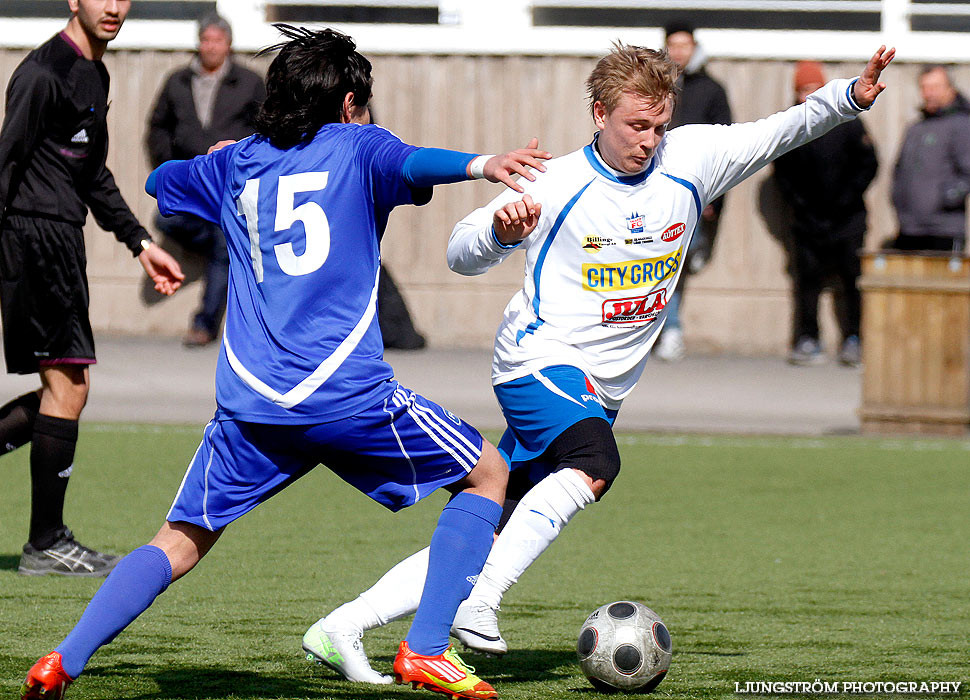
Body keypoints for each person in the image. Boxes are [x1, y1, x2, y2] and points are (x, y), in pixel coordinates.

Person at [303, 42, 895, 682]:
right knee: (596, 462)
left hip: (599, 388)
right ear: (599, 114)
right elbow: (459, 249)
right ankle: (480, 603)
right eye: (637, 125)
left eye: (659, 125)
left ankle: (344, 626)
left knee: (488, 525)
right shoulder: (557, 181)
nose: (649, 140)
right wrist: (500, 234)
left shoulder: (691, 160)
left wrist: (848, 98)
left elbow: (781, 131)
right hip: (537, 361)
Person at [20, 24, 551, 700]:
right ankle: (425, 649)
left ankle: (62, 660)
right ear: (351, 101)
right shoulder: (359, 145)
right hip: (349, 400)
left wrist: (215, 157)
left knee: (178, 540)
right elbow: (416, 164)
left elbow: (159, 180)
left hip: (252, 410)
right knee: (488, 474)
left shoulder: (237, 162)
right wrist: (483, 164)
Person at [0, 0, 184, 578]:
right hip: (32, 240)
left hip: (60, 240)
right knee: (70, 385)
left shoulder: (93, 73)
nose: (113, 6)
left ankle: (47, 541)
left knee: (67, 390)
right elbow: (5, 164)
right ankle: (46, 542)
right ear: (73, 0)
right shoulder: (42, 73)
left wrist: (139, 242)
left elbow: (89, 172)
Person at [147, 13, 265, 346]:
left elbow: (265, 130)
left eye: (217, 40)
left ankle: (204, 324)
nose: (211, 47)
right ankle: (221, 245)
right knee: (166, 220)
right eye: (205, 40)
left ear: (229, 45)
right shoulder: (178, 81)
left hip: (231, 187)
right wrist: (168, 169)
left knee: (221, 244)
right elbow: (157, 127)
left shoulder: (249, 82)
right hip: (189, 187)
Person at [772, 61, 878, 367]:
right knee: (807, 282)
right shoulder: (792, 125)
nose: (809, 95)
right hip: (807, 221)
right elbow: (783, 175)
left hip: (847, 219)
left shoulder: (848, 121)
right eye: (803, 90)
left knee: (851, 280)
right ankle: (807, 338)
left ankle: (854, 338)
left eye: (814, 89)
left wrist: (847, 199)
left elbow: (869, 164)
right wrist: (800, 205)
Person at [652, 20, 732, 361]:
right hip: (655, 186)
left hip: (695, 190)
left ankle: (668, 328)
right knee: (657, 260)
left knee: (677, 261)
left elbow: (724, 143)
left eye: (684, 45)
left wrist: (715, 193)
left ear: (694, 48)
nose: (679, 52)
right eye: (673, 45)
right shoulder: (653, 85)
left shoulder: (711, 90)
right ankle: (666, 329)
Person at [889, 65, 970, 253]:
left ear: (950, 89)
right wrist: (898, 200)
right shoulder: (916, 128)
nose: (929, 93)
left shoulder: (961, 125)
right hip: (909, 228)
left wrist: (947, 197)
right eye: (924, 87)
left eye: (935, 87)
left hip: (944, 229)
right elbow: (899, 171)